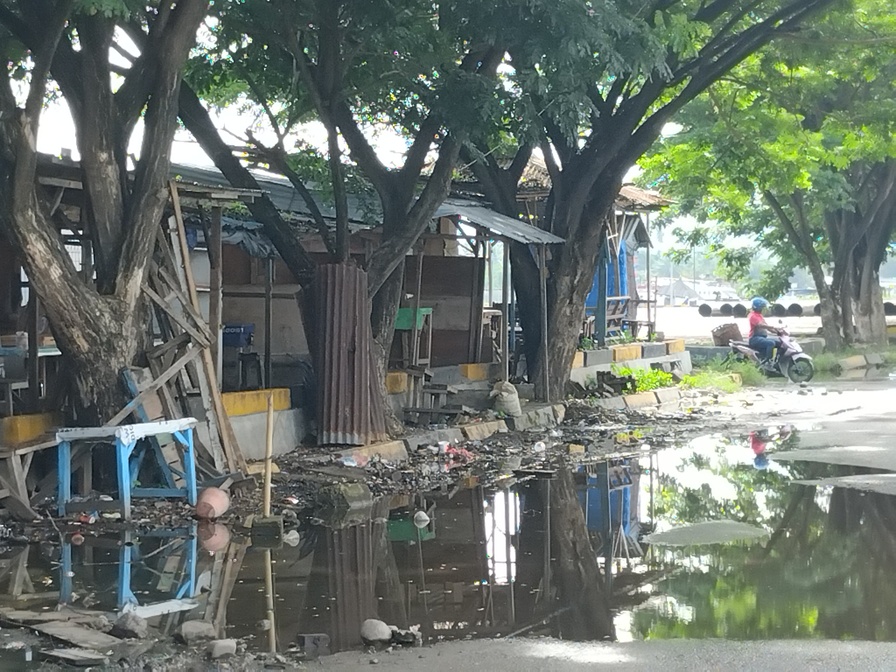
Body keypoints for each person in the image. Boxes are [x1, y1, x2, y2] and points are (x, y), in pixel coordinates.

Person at [748, 297, 781, 363]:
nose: (763, 309)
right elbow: (761, 325)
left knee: (780, 343)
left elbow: (767, 327)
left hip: (762, 338)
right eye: (762, 307)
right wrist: (772, 326)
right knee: (771, 343)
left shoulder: (759, 316)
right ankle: (767, 361)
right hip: (754, 338)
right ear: (757, 307)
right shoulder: (753, 316)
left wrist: (777, 331)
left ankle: (778, 361)